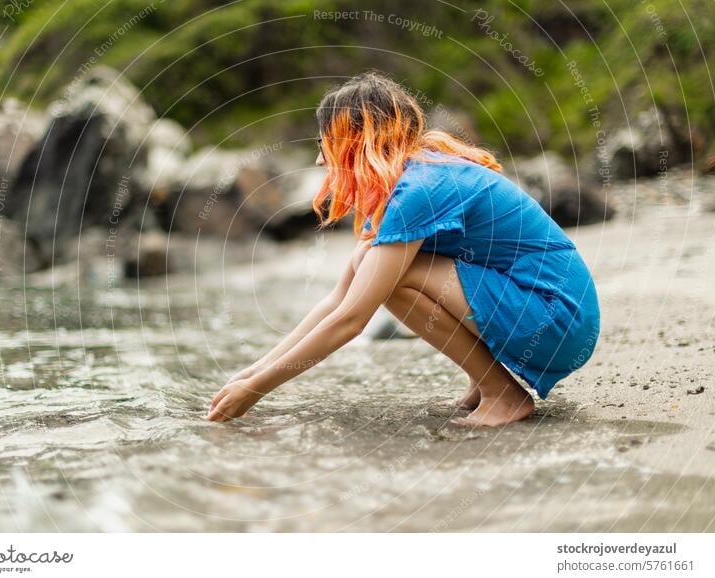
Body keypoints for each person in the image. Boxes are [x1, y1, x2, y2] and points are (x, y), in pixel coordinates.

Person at [207, 71, 601, 427]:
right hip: (550, 309)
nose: (319, 157)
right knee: (370, 265)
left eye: (326, 142)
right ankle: (486, 383)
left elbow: (351, 319)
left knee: (392, 283)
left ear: (353, 142)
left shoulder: (419, 191)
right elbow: (335, 301)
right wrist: (251, 374)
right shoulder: (415, 177)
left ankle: (503, 395)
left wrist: (258, 391)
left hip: (557, 318)